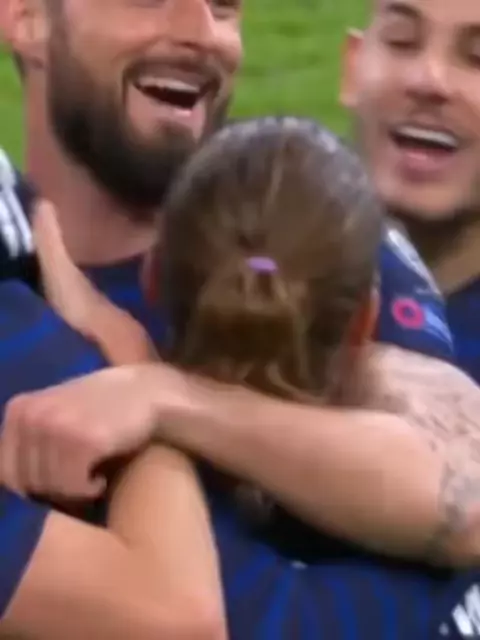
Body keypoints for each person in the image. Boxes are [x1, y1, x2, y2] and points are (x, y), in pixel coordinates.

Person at [0, 0, 478, 637]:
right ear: (28, 17)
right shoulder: (16, 307)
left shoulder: (299, 215)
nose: (201, 32)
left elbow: (466, 488)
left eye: (224, 8)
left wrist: (159, 393)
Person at [340, 0, 480, 384]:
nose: (429, 80)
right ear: (352, 67)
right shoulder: (245, 261)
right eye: (401, 42)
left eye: (476, 58)